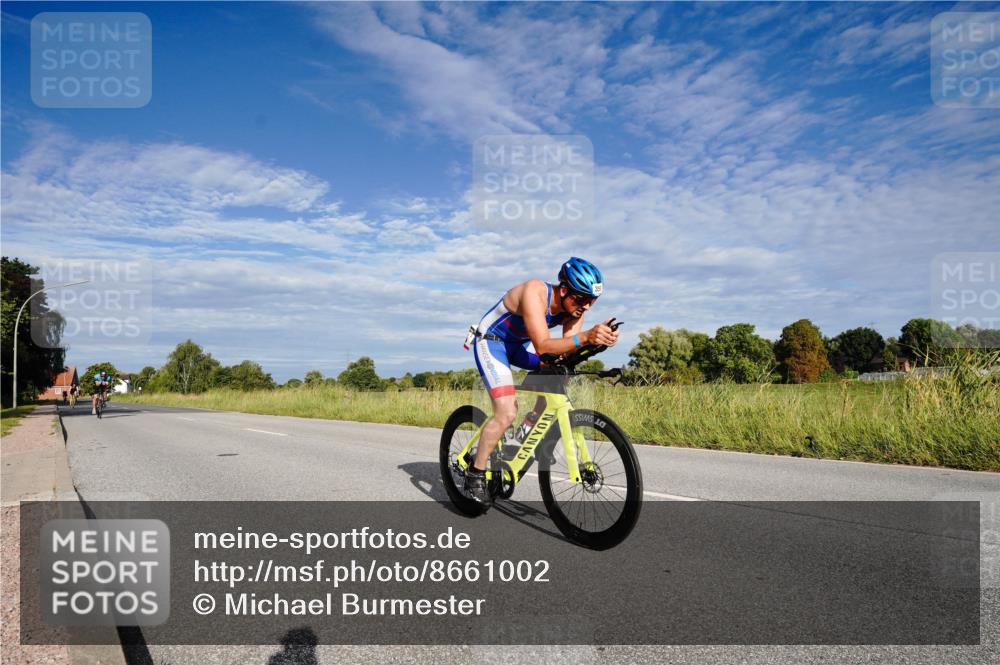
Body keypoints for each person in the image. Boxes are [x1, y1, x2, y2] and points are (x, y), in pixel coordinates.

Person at [465, 257, 618, 505]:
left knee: (559, 373)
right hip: (492, 342)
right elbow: (544, 345)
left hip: (519, 347)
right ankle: (475, 473)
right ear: (564, 289)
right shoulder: (534, 292)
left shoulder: (573, 311)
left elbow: (565, 350)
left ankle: (526, 433)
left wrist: (597, 343)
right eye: (581, 298)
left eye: (592, 300)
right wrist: (586, 337)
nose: (587, 307)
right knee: (506, 412)